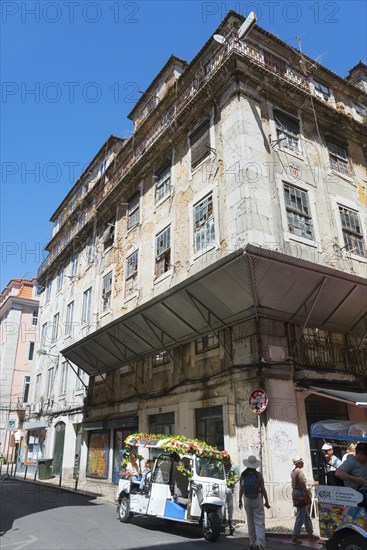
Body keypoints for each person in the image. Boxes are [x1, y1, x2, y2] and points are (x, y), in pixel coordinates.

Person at [239, 455, 270, 550]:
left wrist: (240, 500)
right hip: (257, 499)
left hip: (247, 500)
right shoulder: (258, 475)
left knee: (250, 522)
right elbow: (263, 489)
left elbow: (241, 489)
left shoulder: (243, 475)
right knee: (259, 522)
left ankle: (252, 543)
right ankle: (260, 545)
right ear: (255, 465)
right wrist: (266, 501)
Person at [291, 457, 318, 545]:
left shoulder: (293, 471)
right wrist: (307, 494)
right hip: (300, 493)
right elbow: (303, 484)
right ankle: (295, 537)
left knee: (306, 516)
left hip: (295, 493)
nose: (303, 463)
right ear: (298, 463)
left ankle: (310, 534)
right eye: (301, 462)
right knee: (300, 516)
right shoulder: (300, 472)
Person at [224, 455, 240, 535]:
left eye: (226, 462)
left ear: (229, 460)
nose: (224, 463)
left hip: (229, 488)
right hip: (222, 486)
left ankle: (229, 521)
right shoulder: (222, 466)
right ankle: (223, 519)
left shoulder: (234, 467)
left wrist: (232, 482)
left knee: (229, 505)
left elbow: (237, 477)